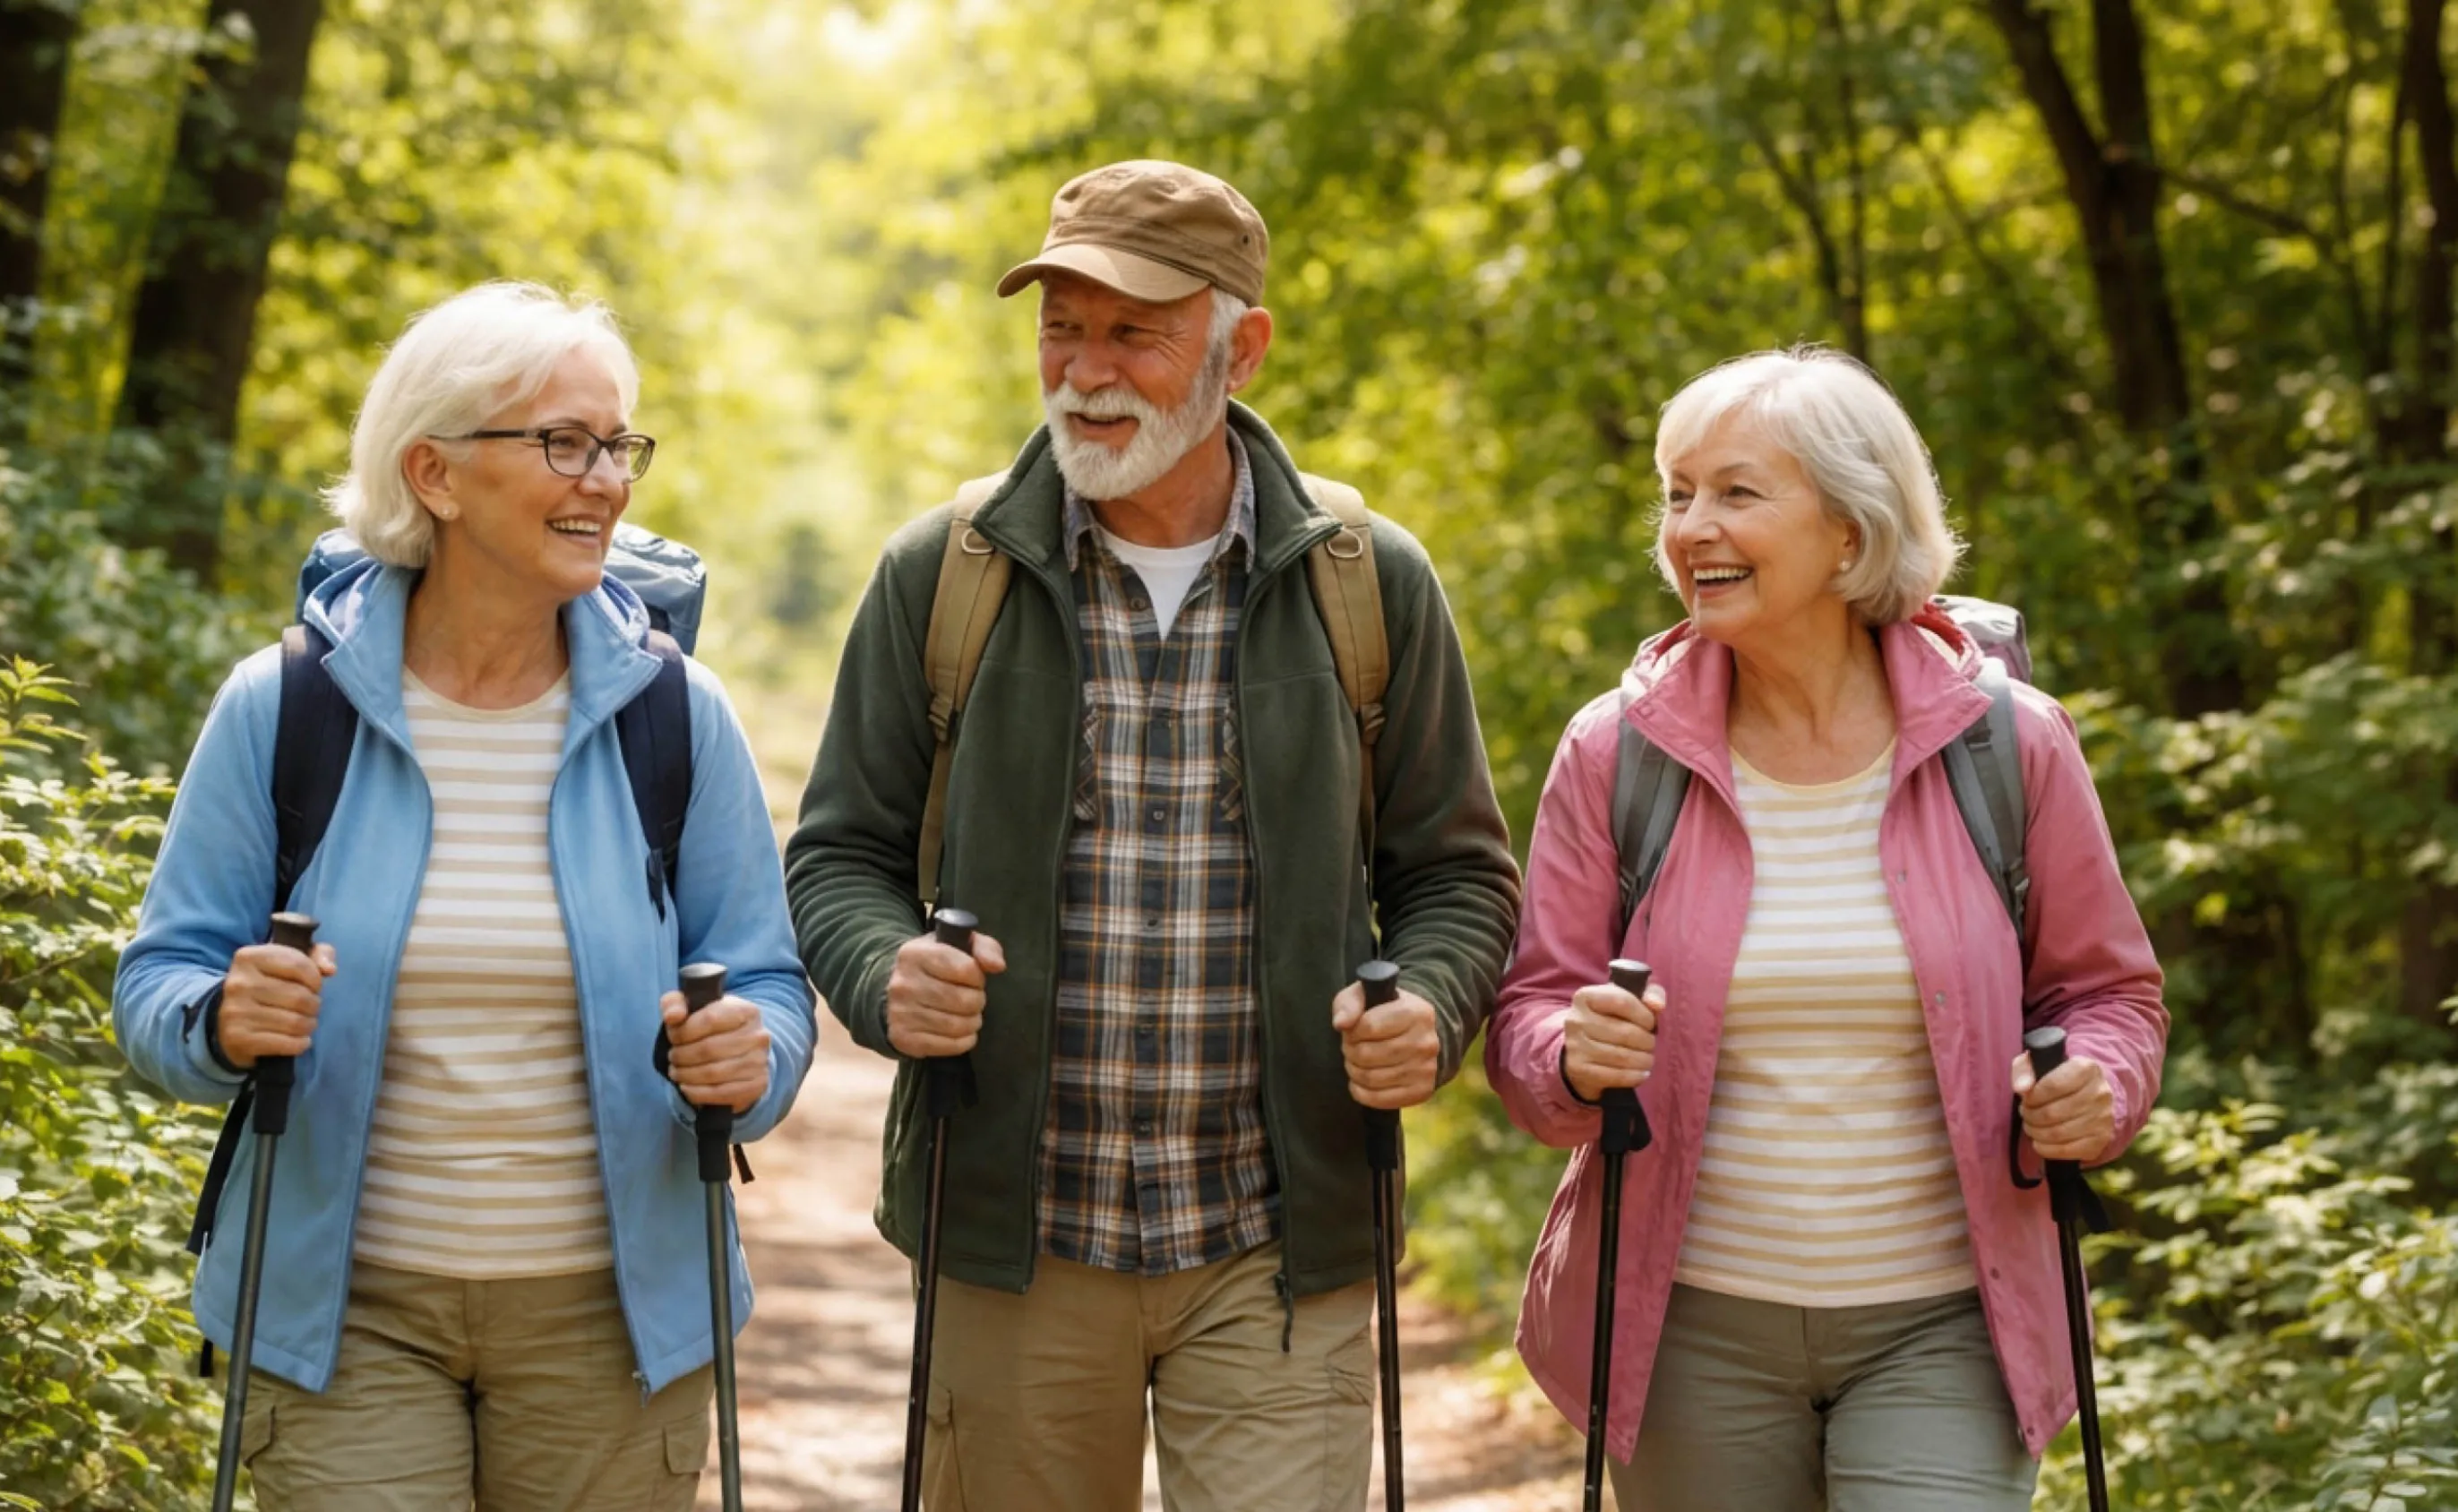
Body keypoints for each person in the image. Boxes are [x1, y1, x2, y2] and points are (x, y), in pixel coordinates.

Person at [783, 159, 1520, 1510]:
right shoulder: (945, 575)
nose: (1085, 368)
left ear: (1241, 347)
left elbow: (1458, 877)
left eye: (1134, 330)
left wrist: (1429, 1002)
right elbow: (838, 856)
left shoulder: (1370, 584)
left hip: (1277, 1241)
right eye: (1061, 327)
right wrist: (886, 976)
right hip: (1016, 1232)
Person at [113, 281, 814, 1509]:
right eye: (562, 443)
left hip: (618, 1323)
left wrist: (749, 1061)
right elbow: (157, 984)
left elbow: (765, 981)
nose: (604, 478)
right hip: (341, 1318)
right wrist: (225, 1018)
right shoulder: (284, 710)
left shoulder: (675, 715)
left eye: (617, 445)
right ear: (433, 472)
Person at [1484, 346, 2169, 1510]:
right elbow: (1530, 1017)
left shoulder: (2010, 744)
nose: (1692, 526)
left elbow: (2113, 999)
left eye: (1737, 493)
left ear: (1851, 532)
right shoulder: (1617, 751)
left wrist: (2099, 1083)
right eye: (1677, 493)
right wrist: (1568, 1055)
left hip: (1952, 1324)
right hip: (1686, 1328)